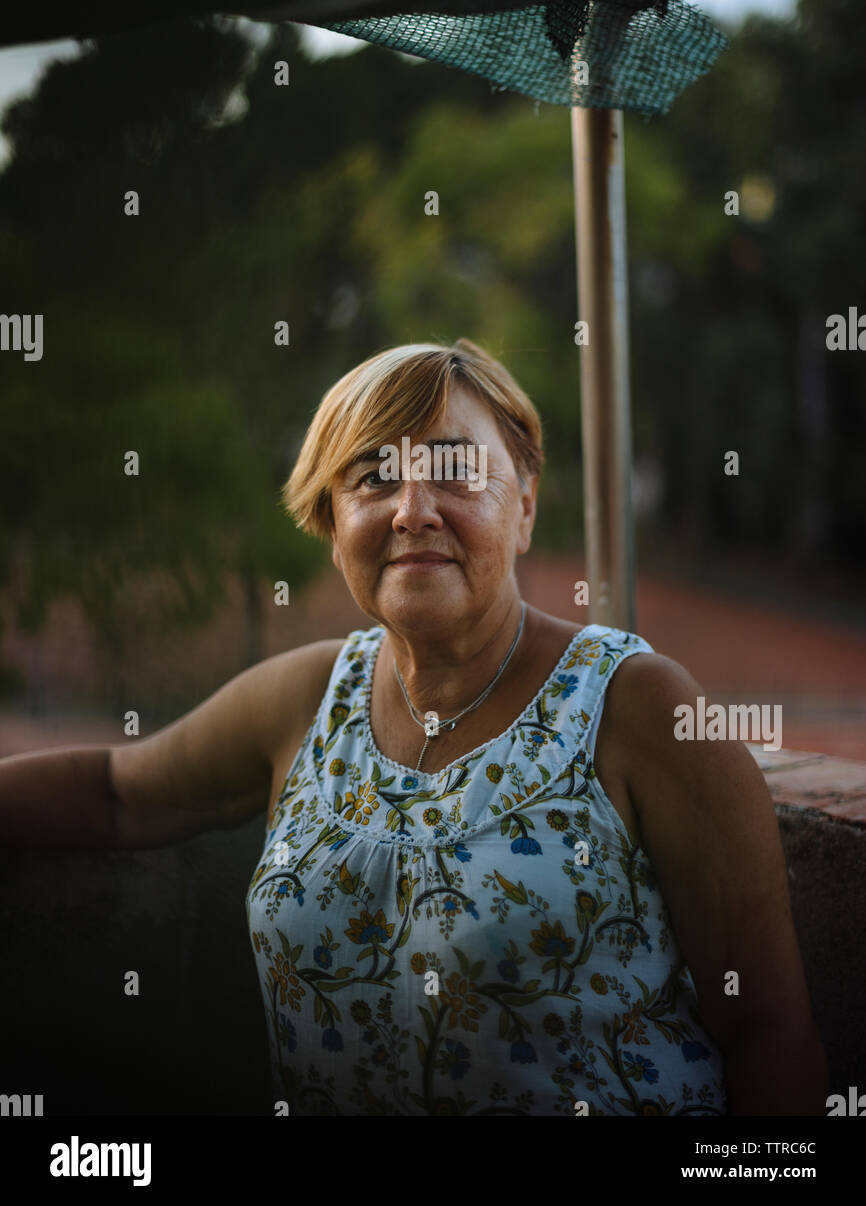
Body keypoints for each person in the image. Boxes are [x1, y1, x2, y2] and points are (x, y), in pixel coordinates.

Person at [0, 338, 827, 1116]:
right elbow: (116, 794)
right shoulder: (305, 698)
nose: (412, 510)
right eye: (372, 477)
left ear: (526, 506)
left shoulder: (640, 708)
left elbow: (769, 1034)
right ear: (332, 524)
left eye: (454, 470)